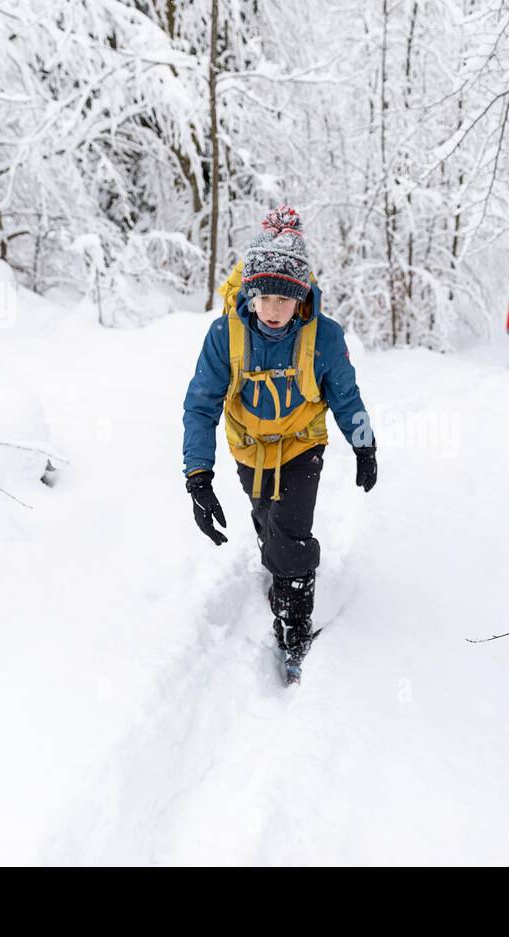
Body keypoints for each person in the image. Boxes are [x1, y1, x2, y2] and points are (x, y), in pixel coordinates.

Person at [181, 205, 377, 676]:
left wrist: (364, 443)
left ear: (302, 298)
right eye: (265, 297)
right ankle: (282, 567)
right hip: (249, 446)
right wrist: (198, 476)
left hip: (302, 444)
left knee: (289, 533)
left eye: (285, 300)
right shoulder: (224, 335)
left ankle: (294, 627)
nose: (273, 310)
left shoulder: (323, 337)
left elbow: (346, 395)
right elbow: (202, 403)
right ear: (250, 292)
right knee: (266, 520)